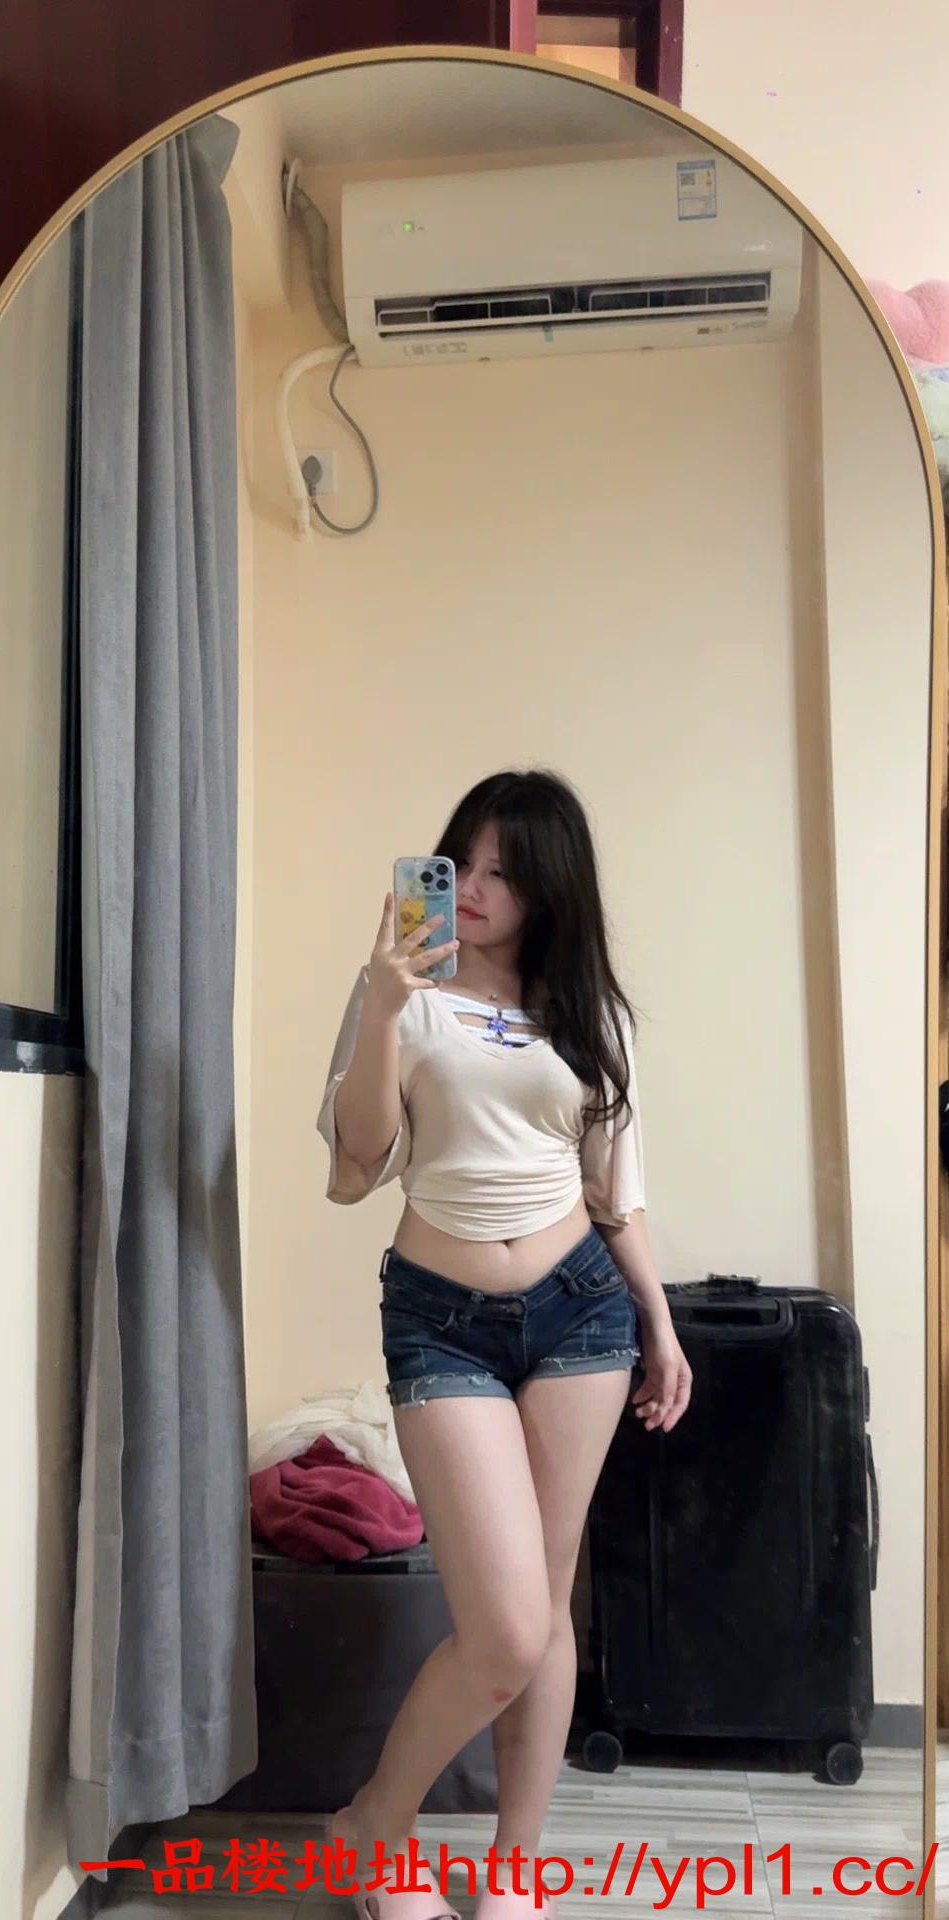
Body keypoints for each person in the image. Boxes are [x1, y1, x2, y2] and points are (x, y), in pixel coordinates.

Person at [317, 769, 692, 1920]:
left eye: (503, 871)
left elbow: (613, 1192)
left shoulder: (590, 1015)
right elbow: (355, 1160)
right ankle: (374, 1829)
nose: (474, 887)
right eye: (462, 862)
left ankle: (516, 1868)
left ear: (547, 889)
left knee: (551, 1596)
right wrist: (383, 1007)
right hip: (442, 1319)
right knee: (505, 1628)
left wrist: (657, 1321)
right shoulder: (401, 992)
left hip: (581, 1313)